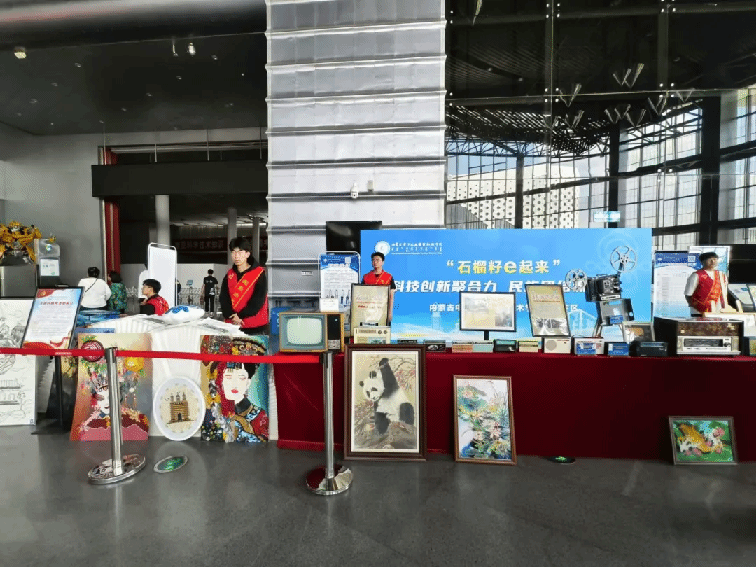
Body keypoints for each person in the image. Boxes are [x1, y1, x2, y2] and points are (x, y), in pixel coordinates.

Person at [220, 237, 268, 334]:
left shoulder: (259, 273)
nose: (236, 256)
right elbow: (224, 298)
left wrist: (240, 316)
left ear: (247, 254)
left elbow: (258, 300)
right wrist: (231, 315)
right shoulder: (229, 275)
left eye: (240, 252)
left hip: (254, 327)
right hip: (232, 325)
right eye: (233, 252)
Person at [361, 251, 396, 324]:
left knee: (383, 329)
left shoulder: (388, 277)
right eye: (373, 260)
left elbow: (391, 295)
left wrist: (390, 312)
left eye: (377, 260)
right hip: (369, 311)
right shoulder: (366, 277)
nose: (375, 262)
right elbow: (361, 294)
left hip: (383, 309)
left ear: (382, 262)